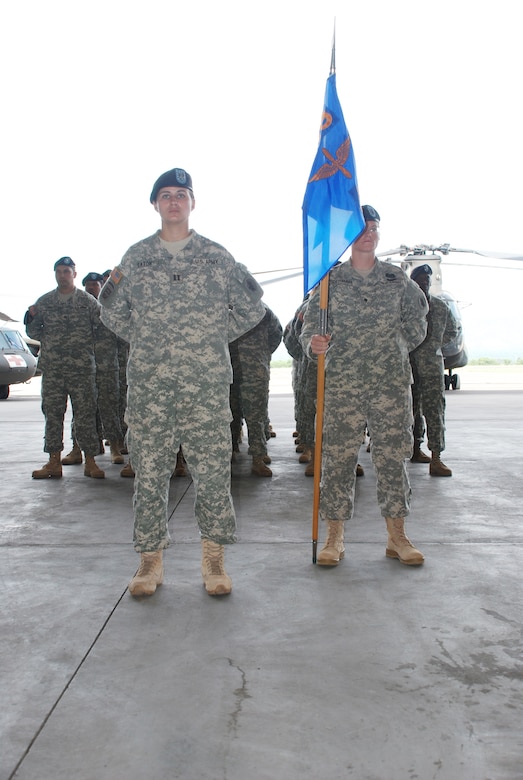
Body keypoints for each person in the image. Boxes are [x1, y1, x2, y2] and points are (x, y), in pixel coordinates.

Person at [99, 167, 265, 597]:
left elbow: (251, 308)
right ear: (155, 204)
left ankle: (213, 560)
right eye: (166, 195)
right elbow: (111, 311)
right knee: (150, 475)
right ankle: (149, 562)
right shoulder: (136, 258)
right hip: (151, 389)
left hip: (206, 388)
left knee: (212, 475)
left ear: (192, 203)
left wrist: (208, 338)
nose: (174, 201)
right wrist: (150, 339)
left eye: (182, 195)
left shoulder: (217, 256)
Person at [300, 205, 429, 566]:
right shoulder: (329, 281)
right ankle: (334, 538)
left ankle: (397, 536)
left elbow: (418, 320)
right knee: (337, 461)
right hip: (342, 387)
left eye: (373, 228)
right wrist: (315, 344)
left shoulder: (396, 280)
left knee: (392, 459)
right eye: (361, 228)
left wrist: (398, 345)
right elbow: (309, 328)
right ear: (349, 234)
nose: (368, 233)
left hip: (389, 385)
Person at [25, 257, 105, 480]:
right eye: (59, 271)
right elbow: (33, 333)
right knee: (52, 414)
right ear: (55, 274)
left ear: (74, 274)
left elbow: (101, 329)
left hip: (81, 369)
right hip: (54, 370)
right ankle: (53, 462)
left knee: (86, 415)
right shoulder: (45, 302)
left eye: (66, 271)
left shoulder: (87, 302)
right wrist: (32, 320)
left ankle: (90, 461)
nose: (63, 275)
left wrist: (85, 347)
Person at [62, 272, 125, 465]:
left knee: (110, 409)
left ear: (102, 287)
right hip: (84, 368)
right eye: (88, 285)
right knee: (82, 411)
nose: (91, 288)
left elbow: (122, 342)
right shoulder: (79, 310)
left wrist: (121, 368)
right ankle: (77, 448)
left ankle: (115, 447)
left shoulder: (111, 310)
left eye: (95, 285)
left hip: (107, 368)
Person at [409, 264, 459, 476]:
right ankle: (413, 449)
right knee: (410, 412)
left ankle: (436, 457)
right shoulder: (406, 307)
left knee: (434, 412)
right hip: (409, 367)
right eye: (420, 281)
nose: (424, 284)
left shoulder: (440, 307)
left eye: (427, 281)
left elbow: (452, 331)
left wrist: (435, 346)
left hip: (431, 368)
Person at [230, 304, 282, 477]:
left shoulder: (263, 310)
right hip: (228, 370)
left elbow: (276, 333)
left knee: (256, 416)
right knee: (229, 414)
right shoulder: (222, 308)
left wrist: (263, 355)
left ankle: (258, 458)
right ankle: (228, 451)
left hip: (255, 371)